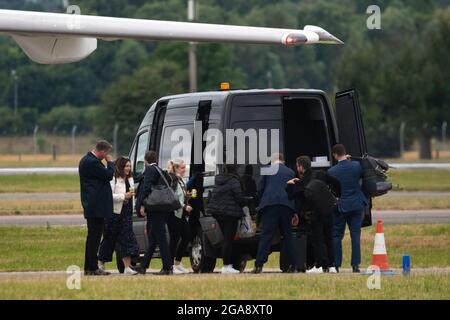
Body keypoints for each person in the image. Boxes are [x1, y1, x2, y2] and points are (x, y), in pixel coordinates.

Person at [286, 156, 341, 274]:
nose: (297, 168)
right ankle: (332, 266)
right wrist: (336, 196)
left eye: (297, 165)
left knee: (318, 240)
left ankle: (320, 265)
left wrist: (290, 185)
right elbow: (336, 182)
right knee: (329, 239)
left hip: (315, 214)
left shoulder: (302, 182)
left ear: (301, 166)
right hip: (328, 211)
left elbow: (291, 196)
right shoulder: (321, 174)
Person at [252, 153, 297, 274]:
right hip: (286, 205)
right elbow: (293, 192)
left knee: (266, 235)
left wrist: (261, 203)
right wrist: (294, 211)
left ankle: (259, 265)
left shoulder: (268, 170)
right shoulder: (290, 172)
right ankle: (292, 265)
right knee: (288, 236)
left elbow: (260, 188)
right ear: (283, 161)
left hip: (270, 204)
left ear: (272, 161)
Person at [328, 144, 368, 273]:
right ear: (345, 153)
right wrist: (350, 161)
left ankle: (337, 264)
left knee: (337, 235)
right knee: (355, 235)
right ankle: (355, 265)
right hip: (357, 204)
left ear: (335, 155)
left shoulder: (332, 171)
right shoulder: (356, 165)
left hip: (342, 206)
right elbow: (360, 176)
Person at [98, 156, 139, 275]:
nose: (129, 168)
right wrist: (123, 196)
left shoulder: (130, 179)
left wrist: (133, 201)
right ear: (120, 167)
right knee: (109, 239)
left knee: (127, 238)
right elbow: (108, 195)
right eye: (126, 166)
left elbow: (132, 195)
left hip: (126, 213)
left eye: (130, 166)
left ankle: (127, 267)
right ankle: (100, 263)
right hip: (113, 213)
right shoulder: (113, 179)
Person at [79, 140, 115, 276]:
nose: (107, 156)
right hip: (96, 206)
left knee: (92, 237)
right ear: (102, 151)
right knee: (94, 237)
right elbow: (108, 175)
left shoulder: (86, 160)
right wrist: (110, 163)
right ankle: (92, 267)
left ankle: (89, 267)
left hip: (92, 205)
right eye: (106, 153)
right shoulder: (92, 162)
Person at [136, 151, 174, 275]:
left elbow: (146, 188)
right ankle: (143, 266)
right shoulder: (160, 170)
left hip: (154, 208)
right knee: (153, 239)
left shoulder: (149, 170)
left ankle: (167, 267)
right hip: (161, 207)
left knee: (161, 238)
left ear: (145, 160)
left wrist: (141, 204)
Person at [206, 164, 247, 274]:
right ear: (235, 170)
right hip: (230, 213)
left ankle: (227, 264)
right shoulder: (234, 181)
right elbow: (239, 197)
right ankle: (226, 265)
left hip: (218, 213)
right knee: (228, 240)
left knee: (226, 239)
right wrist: (246, 204)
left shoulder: (218, 180)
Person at [166, 159, 193, 274]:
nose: (184, 169)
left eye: (184, 167)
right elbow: (173, 198)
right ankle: (170, 265)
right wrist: (183, 206)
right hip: (173, 214)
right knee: (174, 239)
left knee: (187, 236)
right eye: (182, 167)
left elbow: (180, 196)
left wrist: (187, 197)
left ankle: (177, 262)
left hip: (180, 214)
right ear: (176, 168)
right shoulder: (173, 180)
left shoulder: (181, 180)